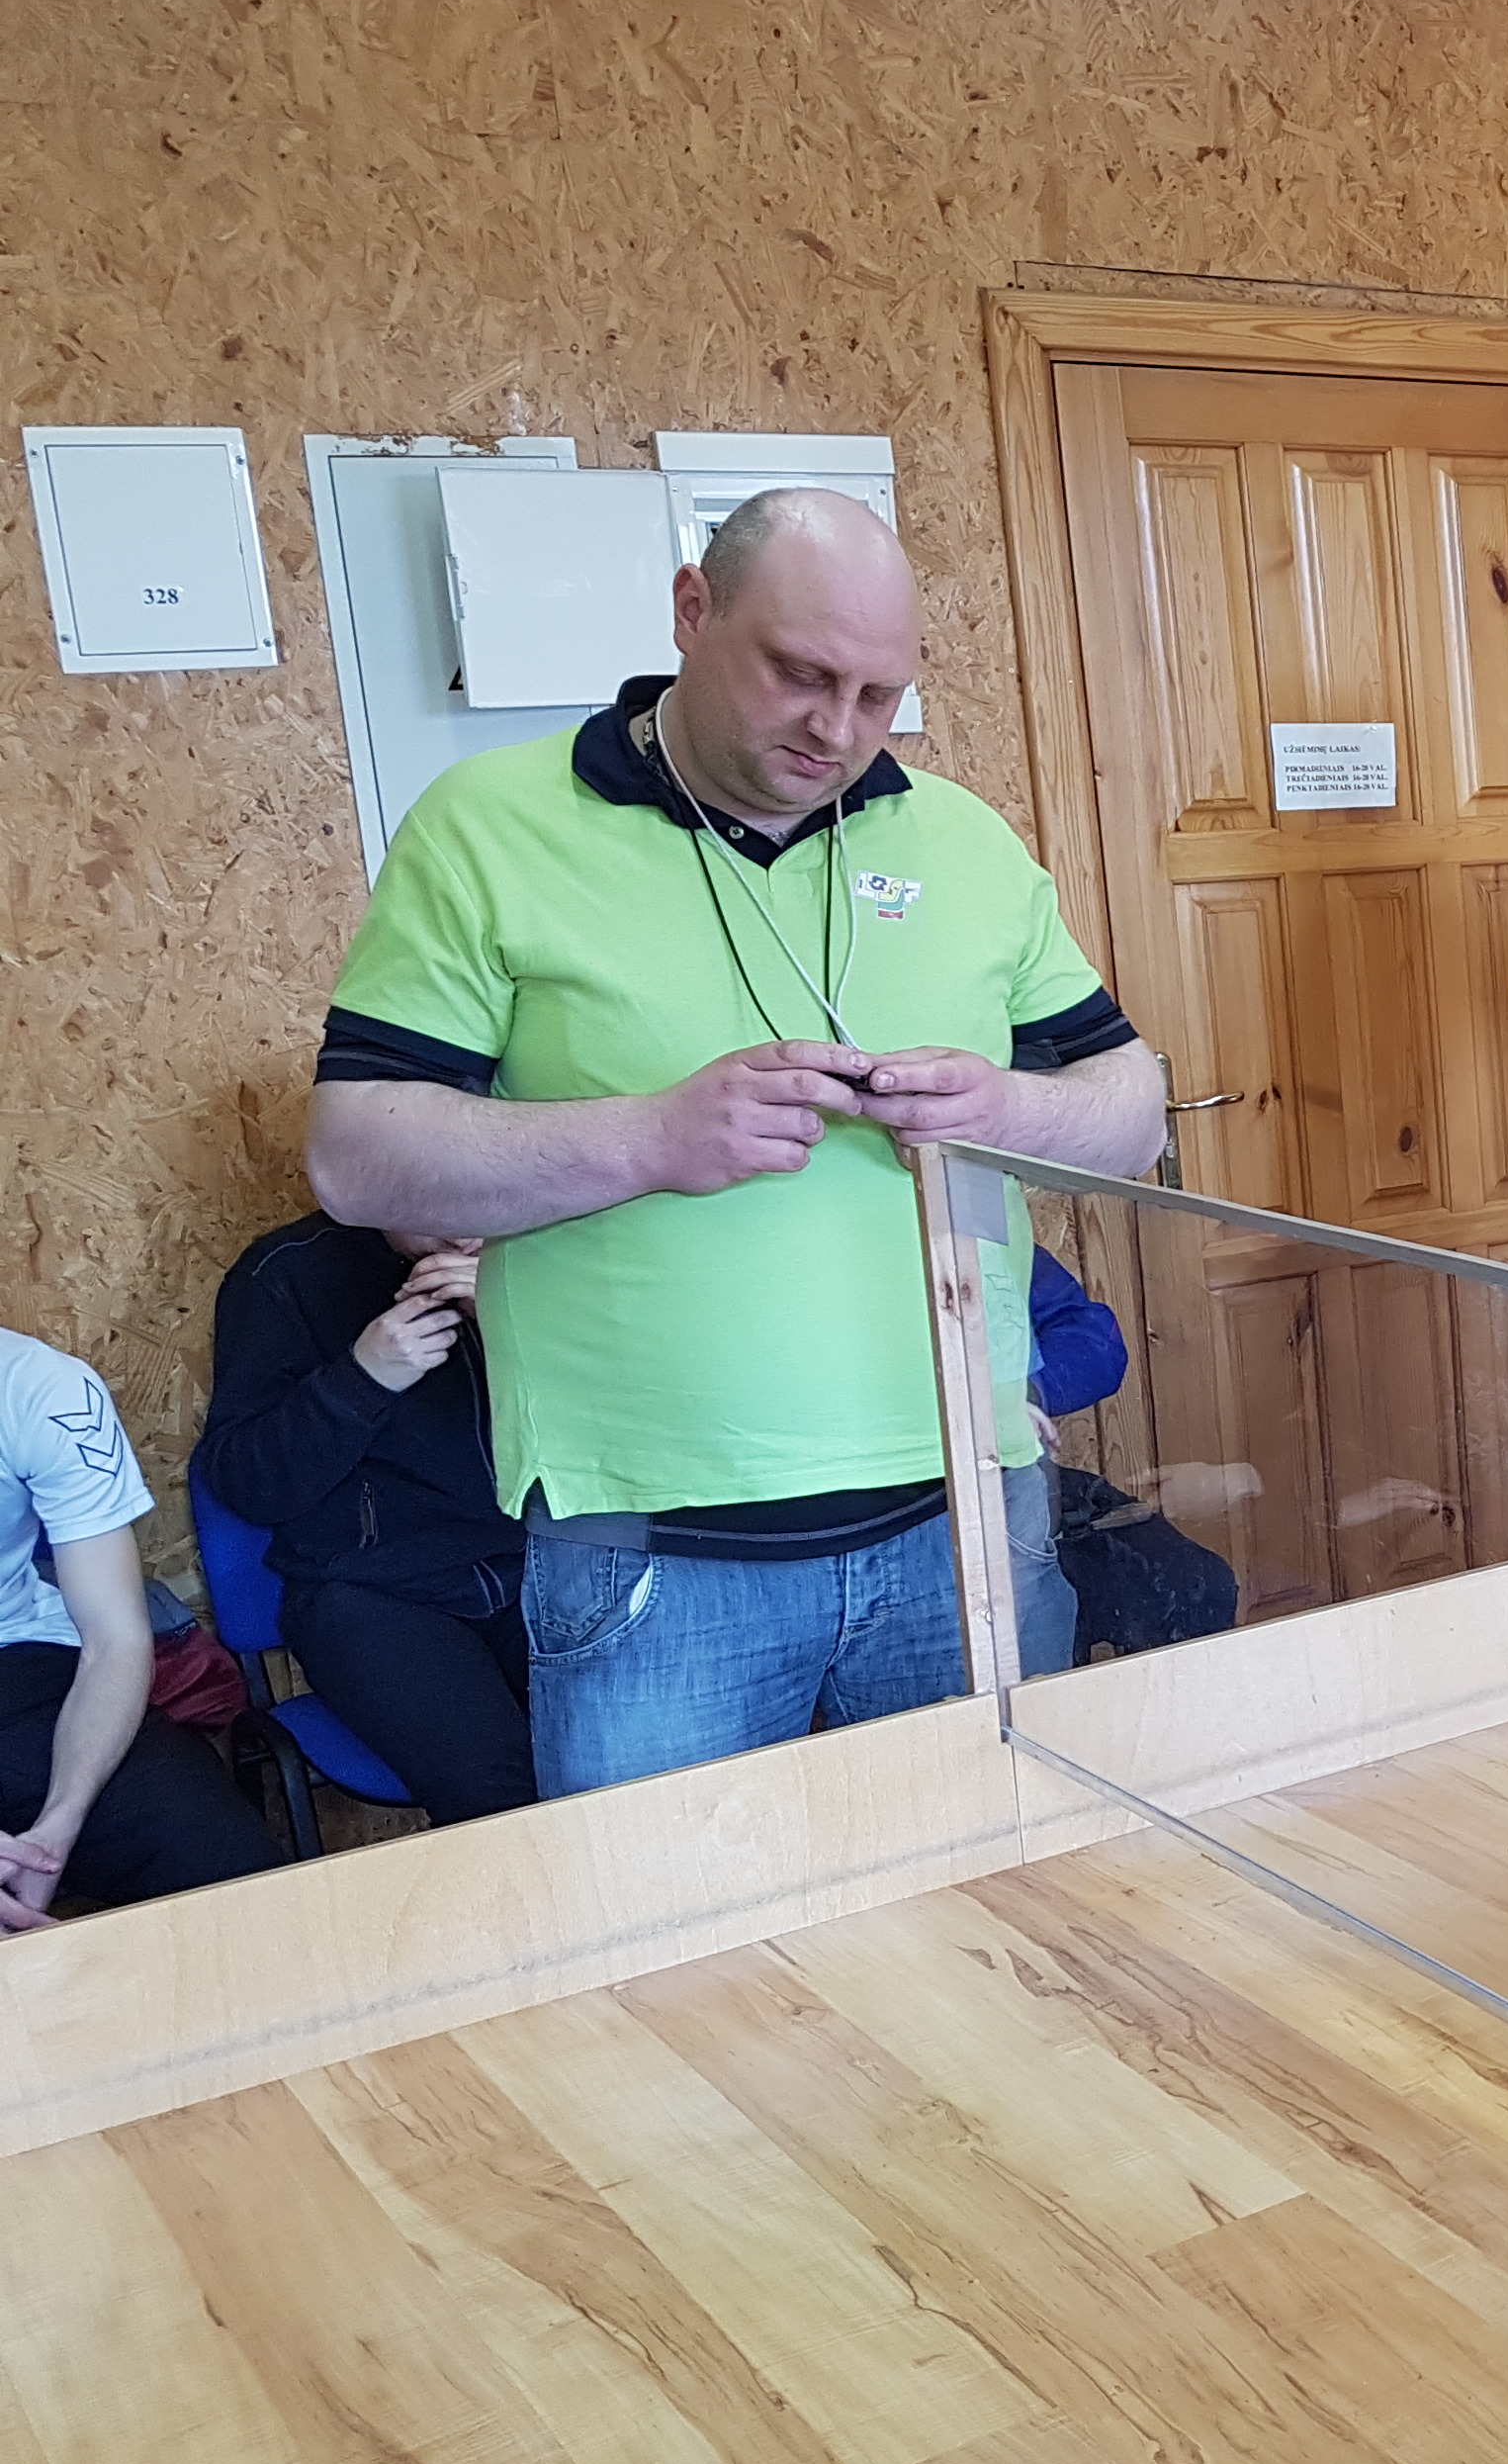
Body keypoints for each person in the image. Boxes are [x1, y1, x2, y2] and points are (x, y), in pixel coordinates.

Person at [306, 488, 1162, 1792]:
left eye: (879, 695)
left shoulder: (963, 841)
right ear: (692, 610)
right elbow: (356, 1156)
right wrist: (651, 1136)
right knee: (672, 1922)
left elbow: (1131, 1106)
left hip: (969, 1516)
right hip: (656, 1552)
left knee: (1003, 1896)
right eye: (801, 676)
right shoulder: (487, 825)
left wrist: (1005, 1110)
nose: (840, 729)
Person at [197, 1213, 534, 1823]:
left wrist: (516, 1322)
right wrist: (363, 1378)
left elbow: (633, 1423)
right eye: (438, 1201)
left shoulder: (545, 1245)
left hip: (540, 1566)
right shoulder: (286, 1273)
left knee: (631, 1755)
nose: (464, 1227)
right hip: (368, 1591)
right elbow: (247, 1484)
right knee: (500, 1798)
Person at [0, 1326, 284, 1925]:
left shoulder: (39, 1386)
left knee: (239, 1882)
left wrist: (55, 1830)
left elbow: (115, 1640)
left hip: (19, 1663)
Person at [1021, 1247, 1241, 1661]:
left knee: (1201, 1585)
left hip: (1019, 1490)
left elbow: (1096, 1345)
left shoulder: (990, 1236)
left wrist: (1024, 1394)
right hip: (930, 1511)